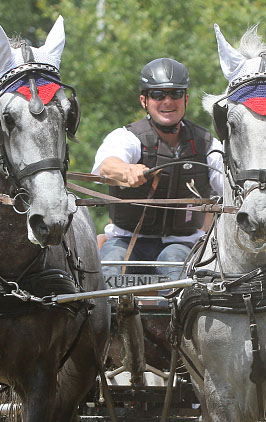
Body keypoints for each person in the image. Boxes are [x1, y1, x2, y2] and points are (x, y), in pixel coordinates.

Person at [92, 57, 224, 282]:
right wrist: (126, 171)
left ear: (186, 99)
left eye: (175, 94)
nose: (168, 101)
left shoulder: (207, 144)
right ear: (144, 100)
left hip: (182, 243)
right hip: (125, 241)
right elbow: (106, 166)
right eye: (158, 94)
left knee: (175, 271)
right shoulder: (127, 137)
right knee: (108, 276)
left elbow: (230, 184)